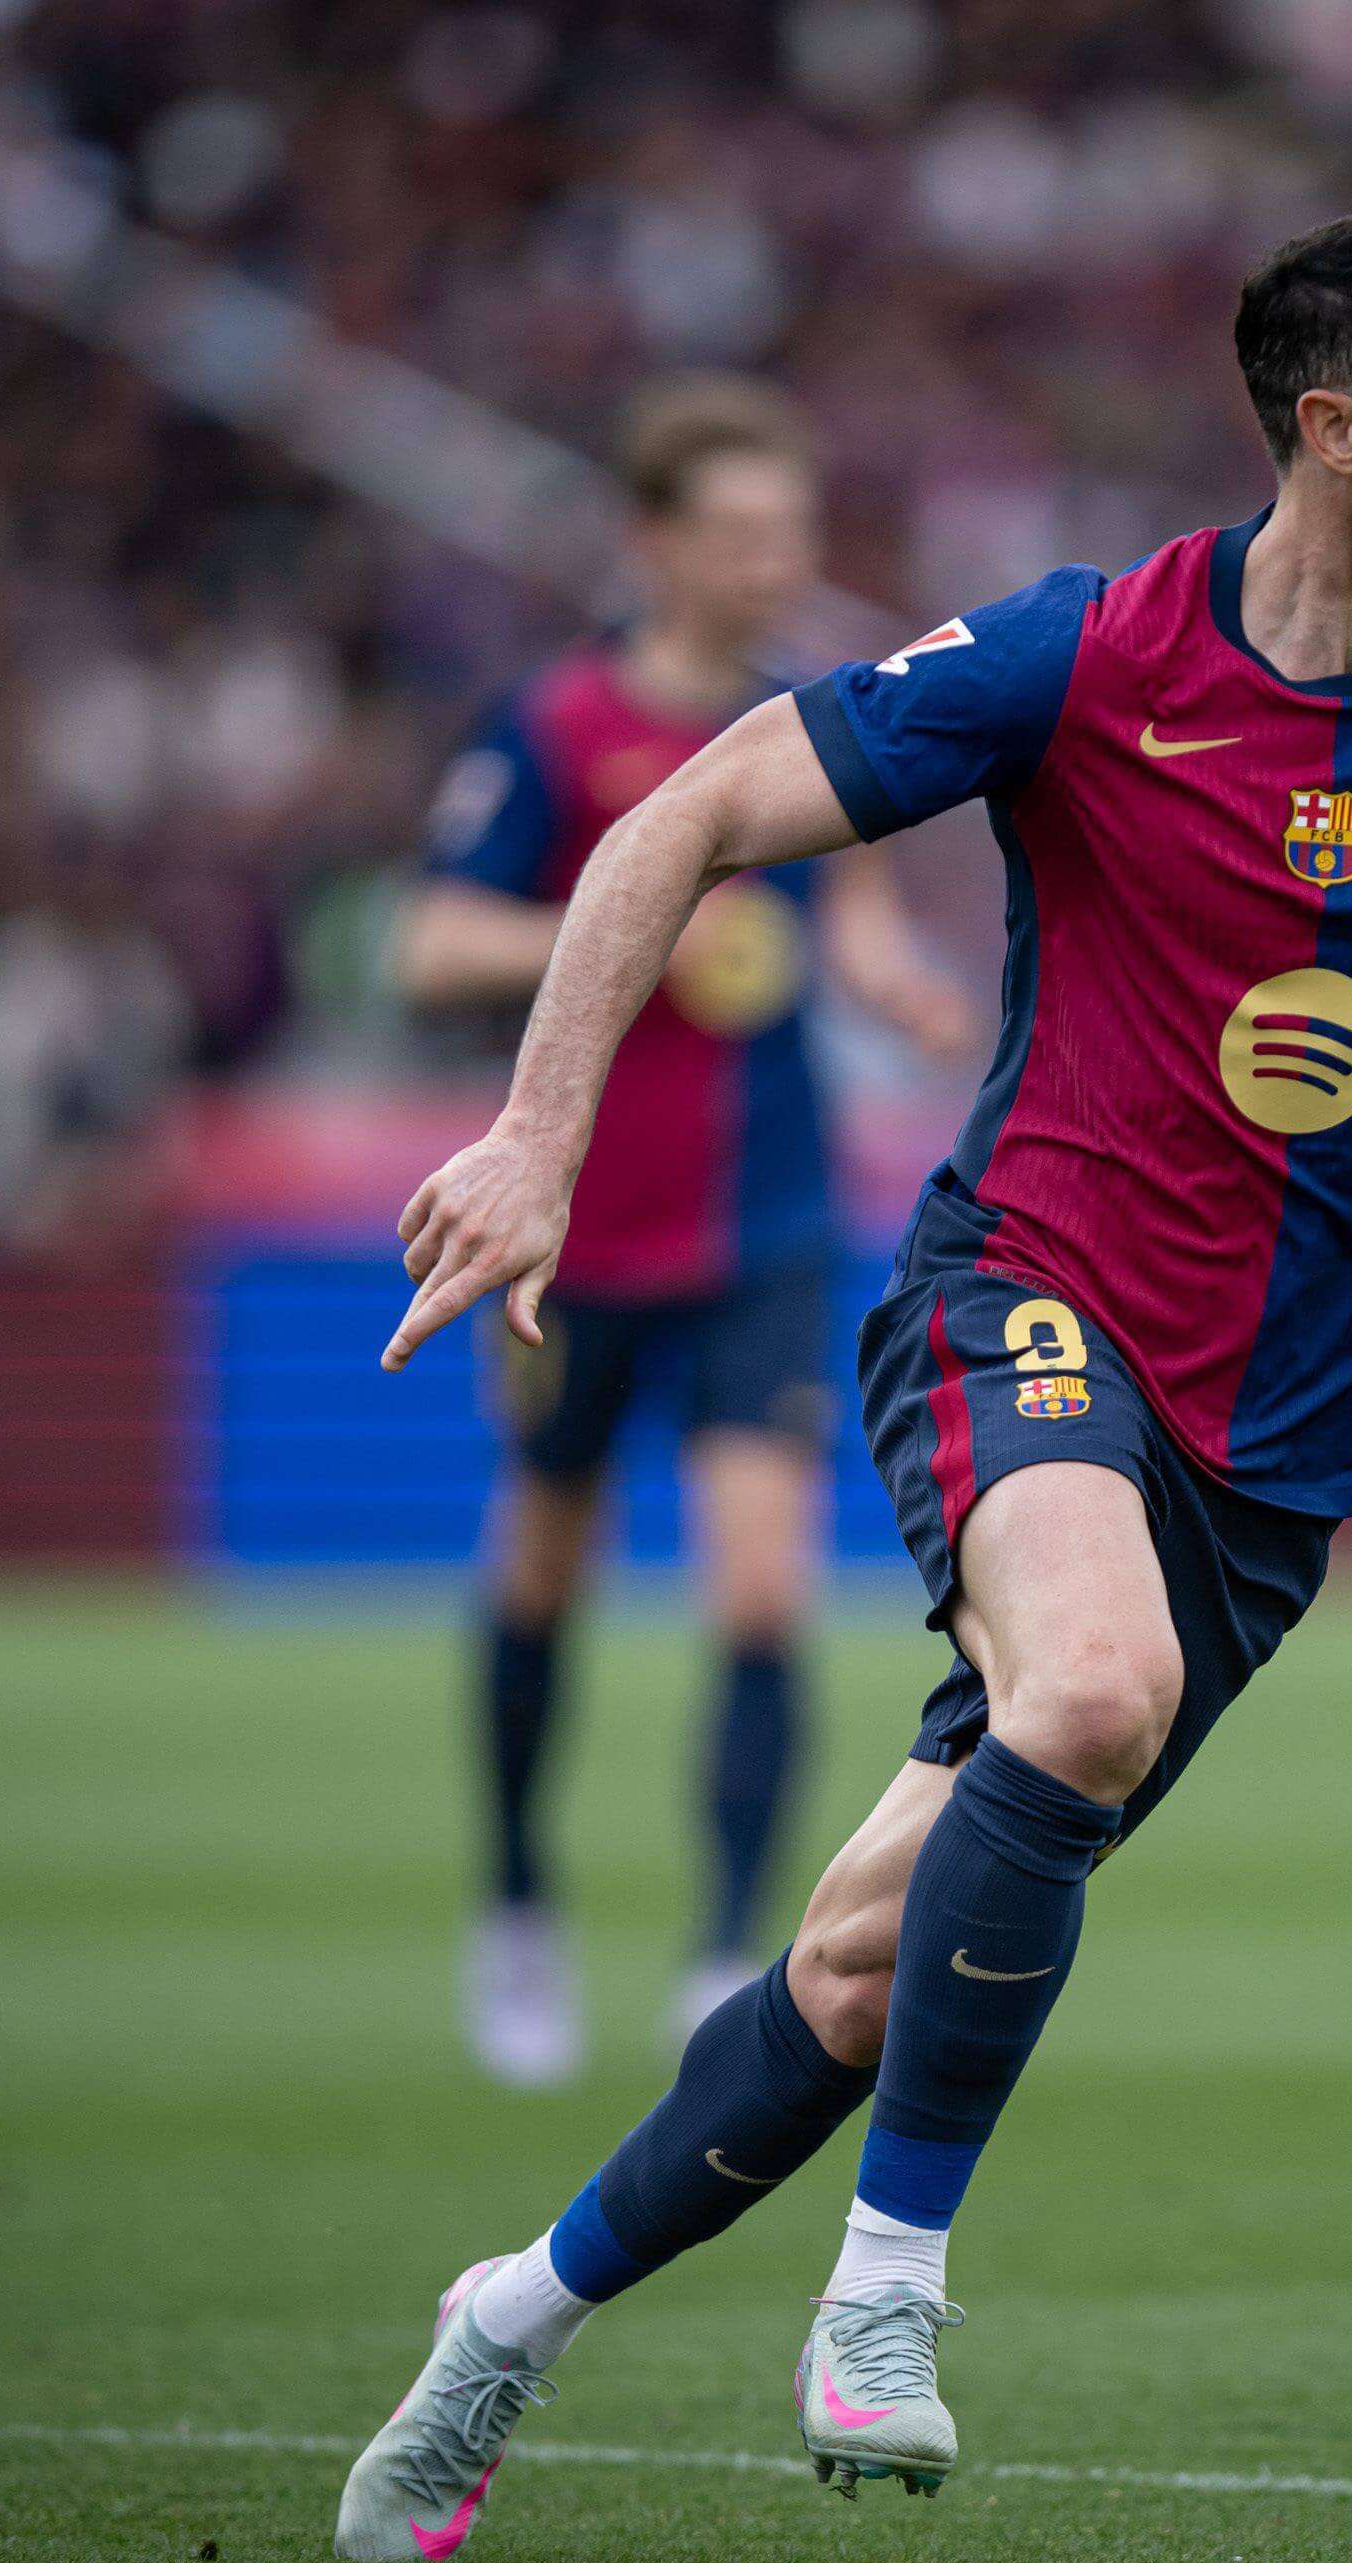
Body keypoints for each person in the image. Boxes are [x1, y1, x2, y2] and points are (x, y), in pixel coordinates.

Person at [338, 211, 1352, 2563]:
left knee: (849, 1961)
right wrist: (534, 1126)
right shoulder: (1094, 650)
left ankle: (508, 2311)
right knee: (1091, 1686)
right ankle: (891, 2292)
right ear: (1336, 428)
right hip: (1019, 1289)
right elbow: (688, 810)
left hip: (1275, 1450)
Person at [400, 379, 976, 2084]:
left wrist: (892, 983)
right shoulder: (557, 726)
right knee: (546, 1571)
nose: (771, 563)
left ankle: (724, 1953)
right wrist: (644, 934)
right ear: (654, 544)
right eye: (738, 534)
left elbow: (848, 916)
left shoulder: (804, 724)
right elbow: (433, 944)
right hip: (576, 1240)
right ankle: (514, 1908)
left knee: (759, 1588)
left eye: (789, 534)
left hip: (766, 1231)